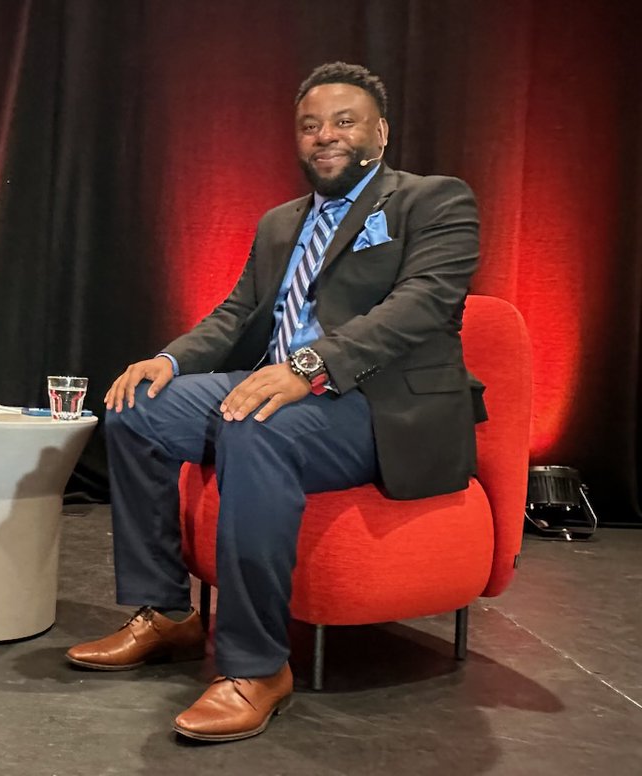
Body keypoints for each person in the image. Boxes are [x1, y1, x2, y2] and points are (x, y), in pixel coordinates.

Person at [65, 62, 485, 741]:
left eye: (344, 121)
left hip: (380, 408)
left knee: (255, 429)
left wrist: (310, 365)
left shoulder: (432, 200)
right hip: (282, 390)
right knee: (136, 407)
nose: (326, 136)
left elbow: (422, 305)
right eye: (311, 125)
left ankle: (257, 667)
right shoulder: (279, 223)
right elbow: (236, 316)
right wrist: (168, 360)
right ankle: (168, 616)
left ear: (381, 130)